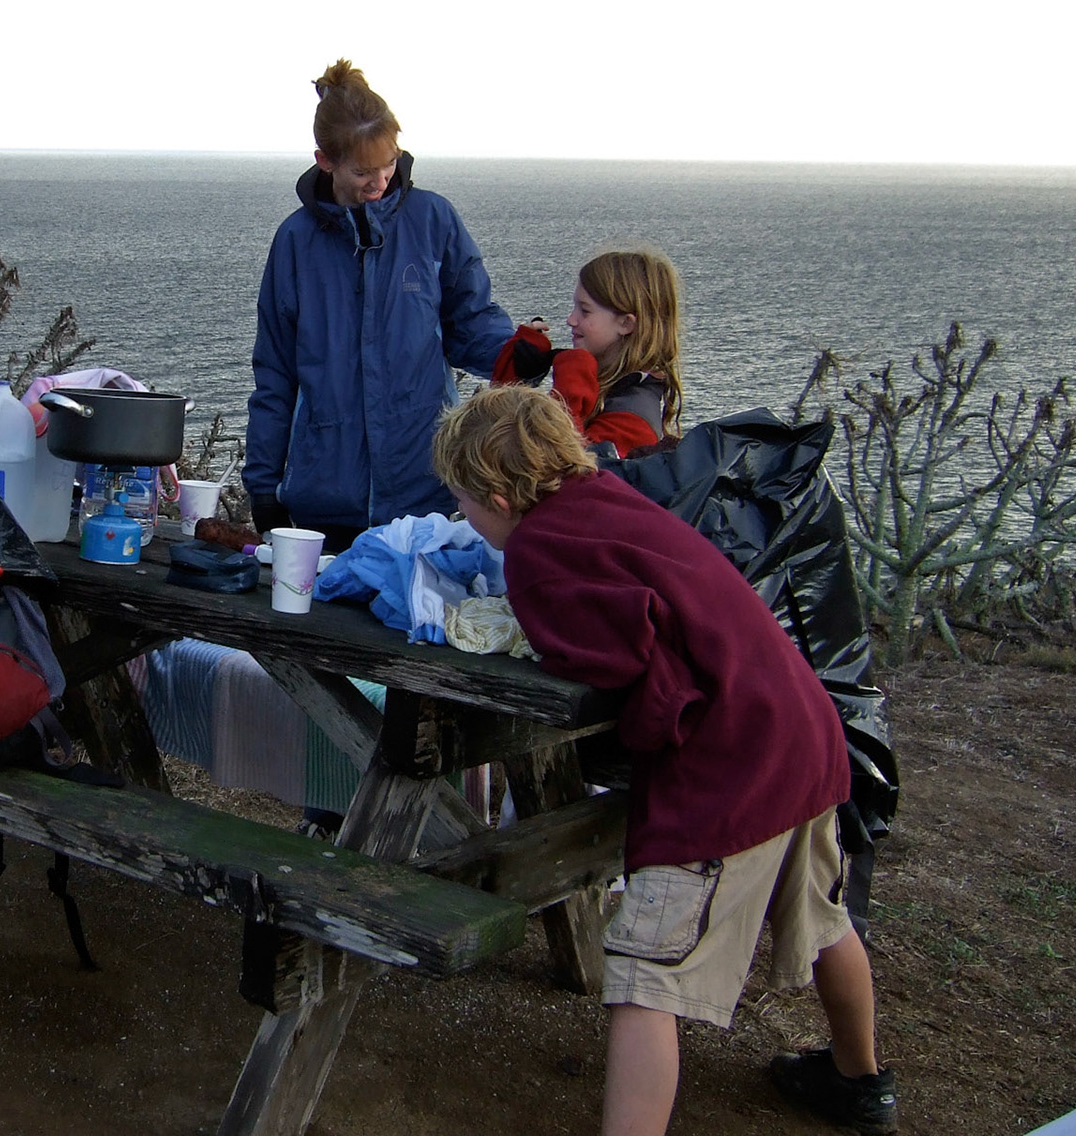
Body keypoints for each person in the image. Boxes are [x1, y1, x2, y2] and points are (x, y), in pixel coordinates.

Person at [432, 386, 897, 1136]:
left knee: (647, 979)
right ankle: (858, 1081)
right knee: (822, 917)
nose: (465, 519)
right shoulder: (606, 497)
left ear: (494, 496)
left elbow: (616, 656)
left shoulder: (540, 550)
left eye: (464, 505)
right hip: (801, 727)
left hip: (733, 762)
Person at [244, 59, 518, 552]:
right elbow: (275, 373)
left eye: (389, 163)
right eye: (363, 170)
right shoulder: (295, 241)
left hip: (427, 494)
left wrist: (521, 358)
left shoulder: (433, 219)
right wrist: (263, 485)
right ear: (325, 160)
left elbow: (470, 324)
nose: (380, 181)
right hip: (324, 505)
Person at [493, 249, 683, 457]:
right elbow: (494, 443)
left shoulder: (633, 422)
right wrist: (516, 376)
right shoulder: (609, 388)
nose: (571, 320)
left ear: (625, 323)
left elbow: (554, 469)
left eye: (585, 310)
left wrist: (574, 380)